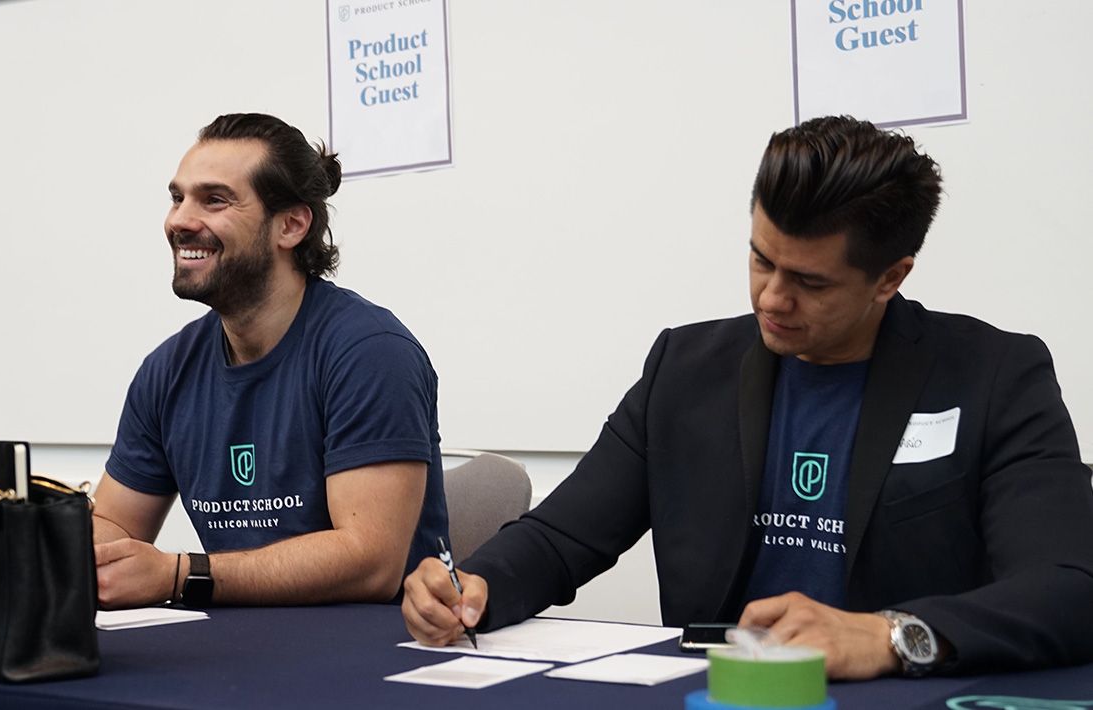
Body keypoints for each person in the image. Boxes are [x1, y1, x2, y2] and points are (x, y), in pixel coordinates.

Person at [401, 116, 1093, 678]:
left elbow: (1069, 587)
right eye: (761, 260)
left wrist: (890, 636)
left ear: (891, 277)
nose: (772, 298)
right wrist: (477, 585)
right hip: (722, 693)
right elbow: (562, 538)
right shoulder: (685, 369)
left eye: (811, 283)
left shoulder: (994, 376)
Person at [93, 113, 447, 610]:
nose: (179, 221)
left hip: (370, 646)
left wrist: (179, 574)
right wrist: (60, 545)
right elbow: (115, 524)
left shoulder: (371, 352)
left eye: (214, 200)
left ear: (292, 225)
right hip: (231, 643)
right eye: (178, 198)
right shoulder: (168, 369)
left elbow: (371, 562)